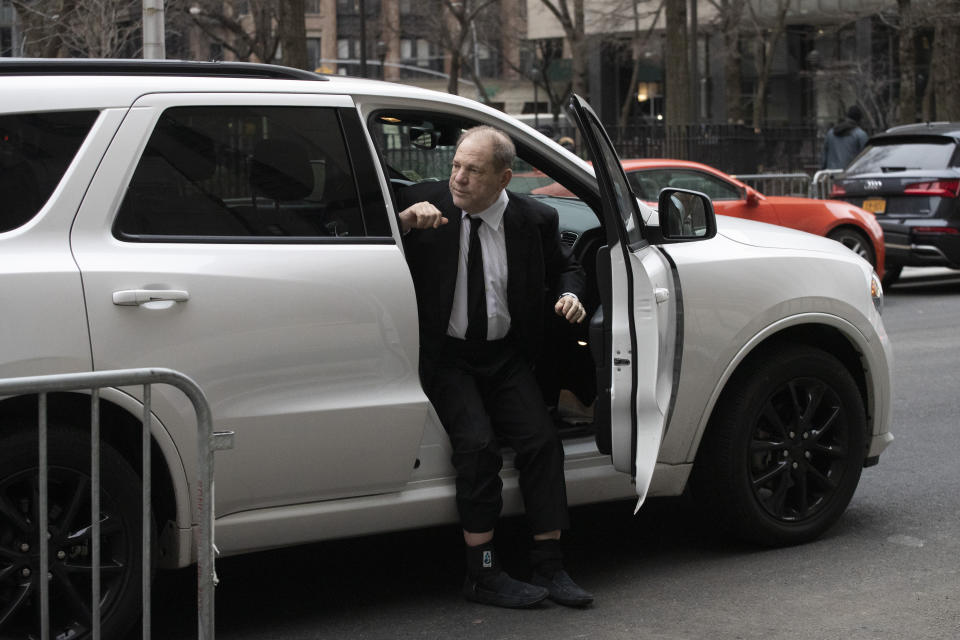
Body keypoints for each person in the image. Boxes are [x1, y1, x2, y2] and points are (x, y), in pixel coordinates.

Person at [397, 125, 593, 609]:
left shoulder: (535, 219)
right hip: (447, 358)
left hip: (505, 357)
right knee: (478, 447)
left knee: (542, 443)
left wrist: (571, 295)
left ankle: (550, 565)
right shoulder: (425, 203)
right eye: (455, 166)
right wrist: (401, 220)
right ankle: (481, 572)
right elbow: (350, 229)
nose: (458, 179)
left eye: (473, 170)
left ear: (504, 178)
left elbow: (569, 267)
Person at [822, 105, 869, 170]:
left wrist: (823, 169)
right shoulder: (861, 135)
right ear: (860, 119)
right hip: (850, 174)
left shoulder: (831, 133)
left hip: (831, 174)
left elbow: (824, 156)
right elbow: (866, 157)